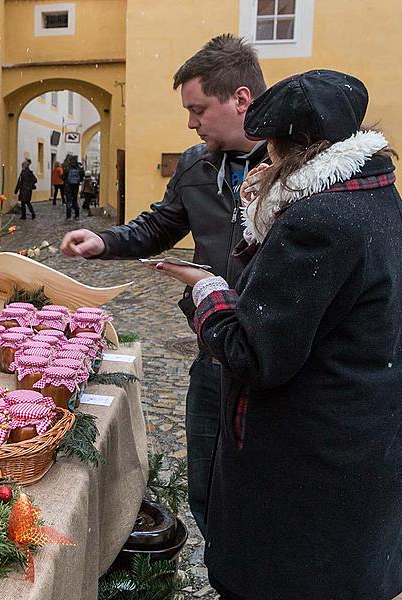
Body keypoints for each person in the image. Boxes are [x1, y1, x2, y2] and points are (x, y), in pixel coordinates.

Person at [151, 70, 402, 600]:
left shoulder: (320, 220)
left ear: (291, 151)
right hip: (362, 456)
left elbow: (254, 354)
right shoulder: (378, 196)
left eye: (271, 153)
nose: (264, 166)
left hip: (311, 477)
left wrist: (207, 289)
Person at [60, 34, 268, 537]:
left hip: (270, 361)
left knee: (264, 491)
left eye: (197, 109)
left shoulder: (294, 168)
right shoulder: (196, 165)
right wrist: (104, 241)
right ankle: (225, 570)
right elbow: (160, 225)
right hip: (212, 352)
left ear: (241, 100)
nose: (190, 122)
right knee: (206, 484)